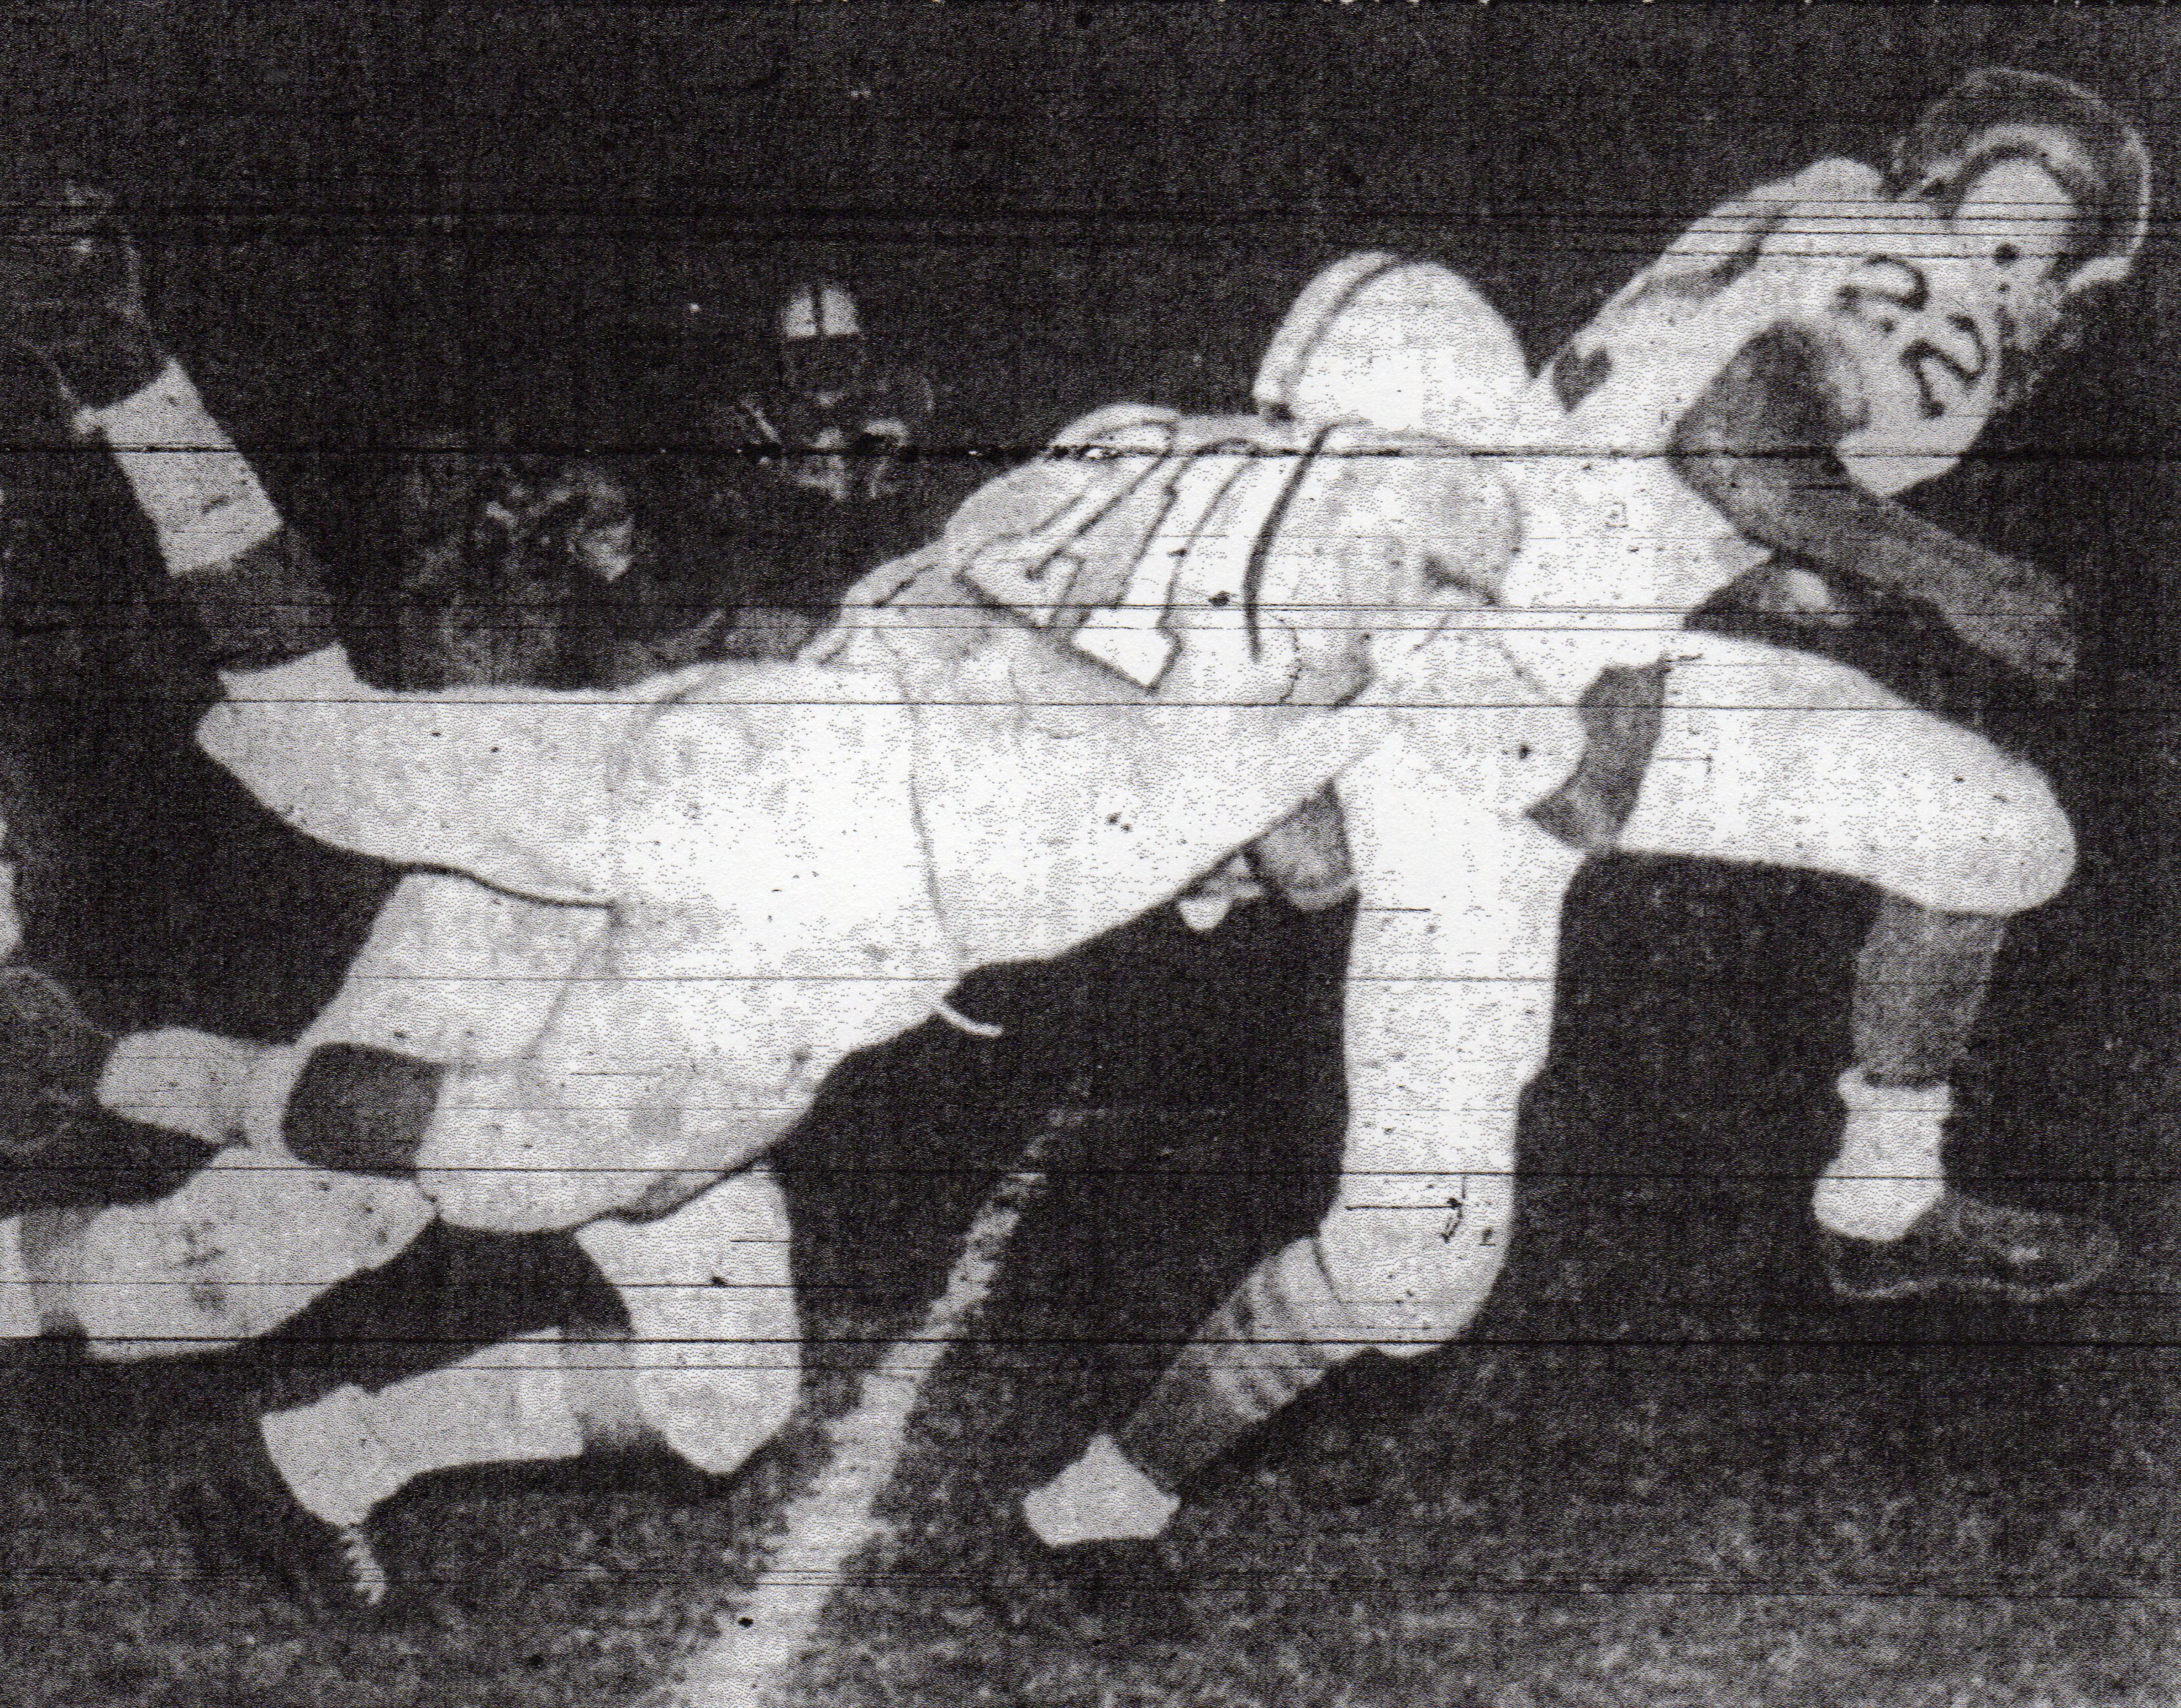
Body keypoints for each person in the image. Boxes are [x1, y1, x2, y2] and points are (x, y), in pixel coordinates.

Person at [0, 117, 2075, 1617]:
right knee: (337, 1230)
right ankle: (102, 1072)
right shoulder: (1422, 610)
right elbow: (1497, 714)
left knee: (707, 1380)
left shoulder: (1097, 437)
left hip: (722, 773)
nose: (825, 413)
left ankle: (312, 1456)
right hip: (805, 908)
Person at [1018, 66, 2138, 1567]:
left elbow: (1671, 450)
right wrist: (1956, 575)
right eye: (2044, 251)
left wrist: (1780, 570)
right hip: (1487, 715)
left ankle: (1881, 1201)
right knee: (1415, 1259)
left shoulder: (1812, 199)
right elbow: (1735, 442)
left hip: (1565, 647)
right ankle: (1111, 1492)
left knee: (1994, 828)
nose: (2031, 282)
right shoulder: (1949, 316)